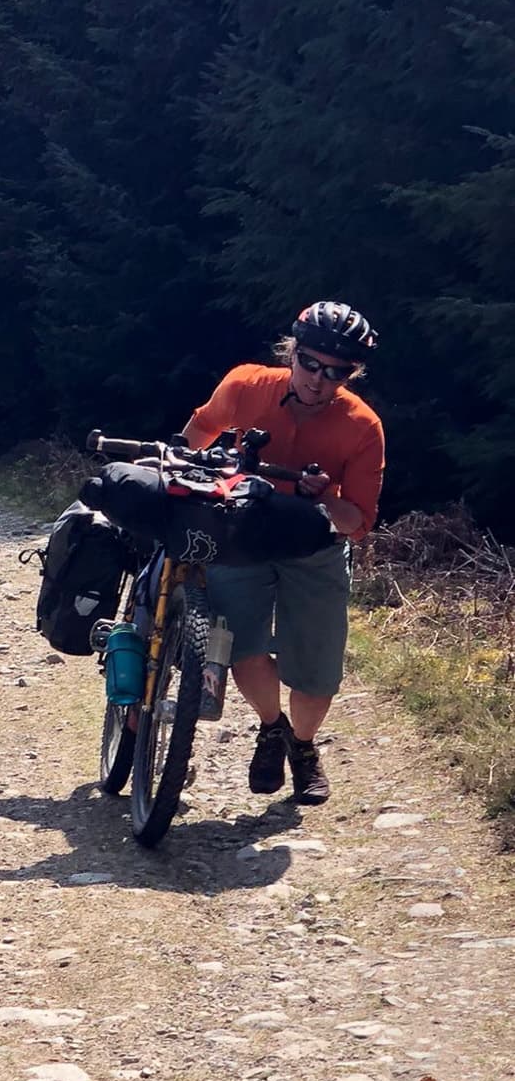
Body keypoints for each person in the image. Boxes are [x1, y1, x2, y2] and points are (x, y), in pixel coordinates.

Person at [182, 301, 384, 807]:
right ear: (291, 352)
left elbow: (357, 522)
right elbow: (195, 437)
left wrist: (324, 496)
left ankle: (304, 746)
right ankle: (272, 729)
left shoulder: (362, 427)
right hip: (242, 534)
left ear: (351, 373)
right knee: (243, 646)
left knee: (317, 670)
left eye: (337, 372)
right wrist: (195, 474)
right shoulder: (247, 386)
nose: (319, 379)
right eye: (310, 363)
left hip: (313, 545)